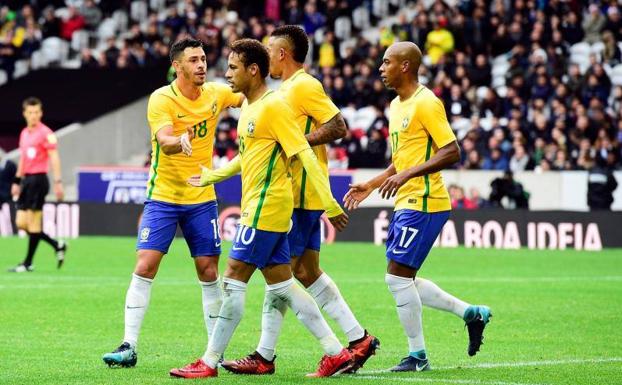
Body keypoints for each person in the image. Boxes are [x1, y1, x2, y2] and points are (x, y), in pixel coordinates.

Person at [170, 38, 353, 379]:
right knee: (282, 285)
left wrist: (329, 202)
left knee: (234, 276)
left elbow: (303, 153)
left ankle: (208, 362)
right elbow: (248, 156)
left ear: (254, 70)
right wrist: (213, 176)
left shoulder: (273, 107)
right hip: (261, 205)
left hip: (266, 207)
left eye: (234, 68)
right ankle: (336, 352)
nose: (226, 74)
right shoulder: (250, 108)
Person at [219, 25, 378, 376]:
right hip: (299, 193)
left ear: (281, 54)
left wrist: (295, 141)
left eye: (271, 48)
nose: (268, 53)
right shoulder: (282, 90)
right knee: (305, 271)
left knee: (280, 277)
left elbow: (338, 126)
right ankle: (358, 338)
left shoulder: (304, 85)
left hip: (301, 193)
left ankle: (264, 355)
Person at [344, 42, 491, 372]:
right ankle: (471, 313)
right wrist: (372, 183)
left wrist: (408, 174)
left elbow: (451, 151)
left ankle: (418, 356)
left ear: (406, 66)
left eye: (386, 63)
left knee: (396, 279)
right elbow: (402, 160)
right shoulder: (397, 105)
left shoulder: (427, 102)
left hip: (425, 201)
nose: (380, 69)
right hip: (406, 199)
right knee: (403, 279)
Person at [102, 38, 244, 367]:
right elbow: (164, 142)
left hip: (201, 198)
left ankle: (215, 353)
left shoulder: (216, 93)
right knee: (145, 265)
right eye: (193, 60)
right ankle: (128, 345)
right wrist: (180, 141)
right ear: (177, 66)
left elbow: (250, 95)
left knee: (208, 270)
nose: (201, 65)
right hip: (163, 197)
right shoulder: (161, 99)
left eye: (204, 59)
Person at [8, 97, 67, 273]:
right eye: (30, 112)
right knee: (21, 223)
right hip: (27, 181)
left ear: (41, 113)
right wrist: (17, 181)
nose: (33, 116)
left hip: (39, 181)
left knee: (33, 225)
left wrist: (58, 182)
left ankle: (28, 263)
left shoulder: (46, 133)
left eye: (36, 112)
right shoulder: (24, 133)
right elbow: (23, 159)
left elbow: (54, 157)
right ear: (25, 114)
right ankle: (57, 245)